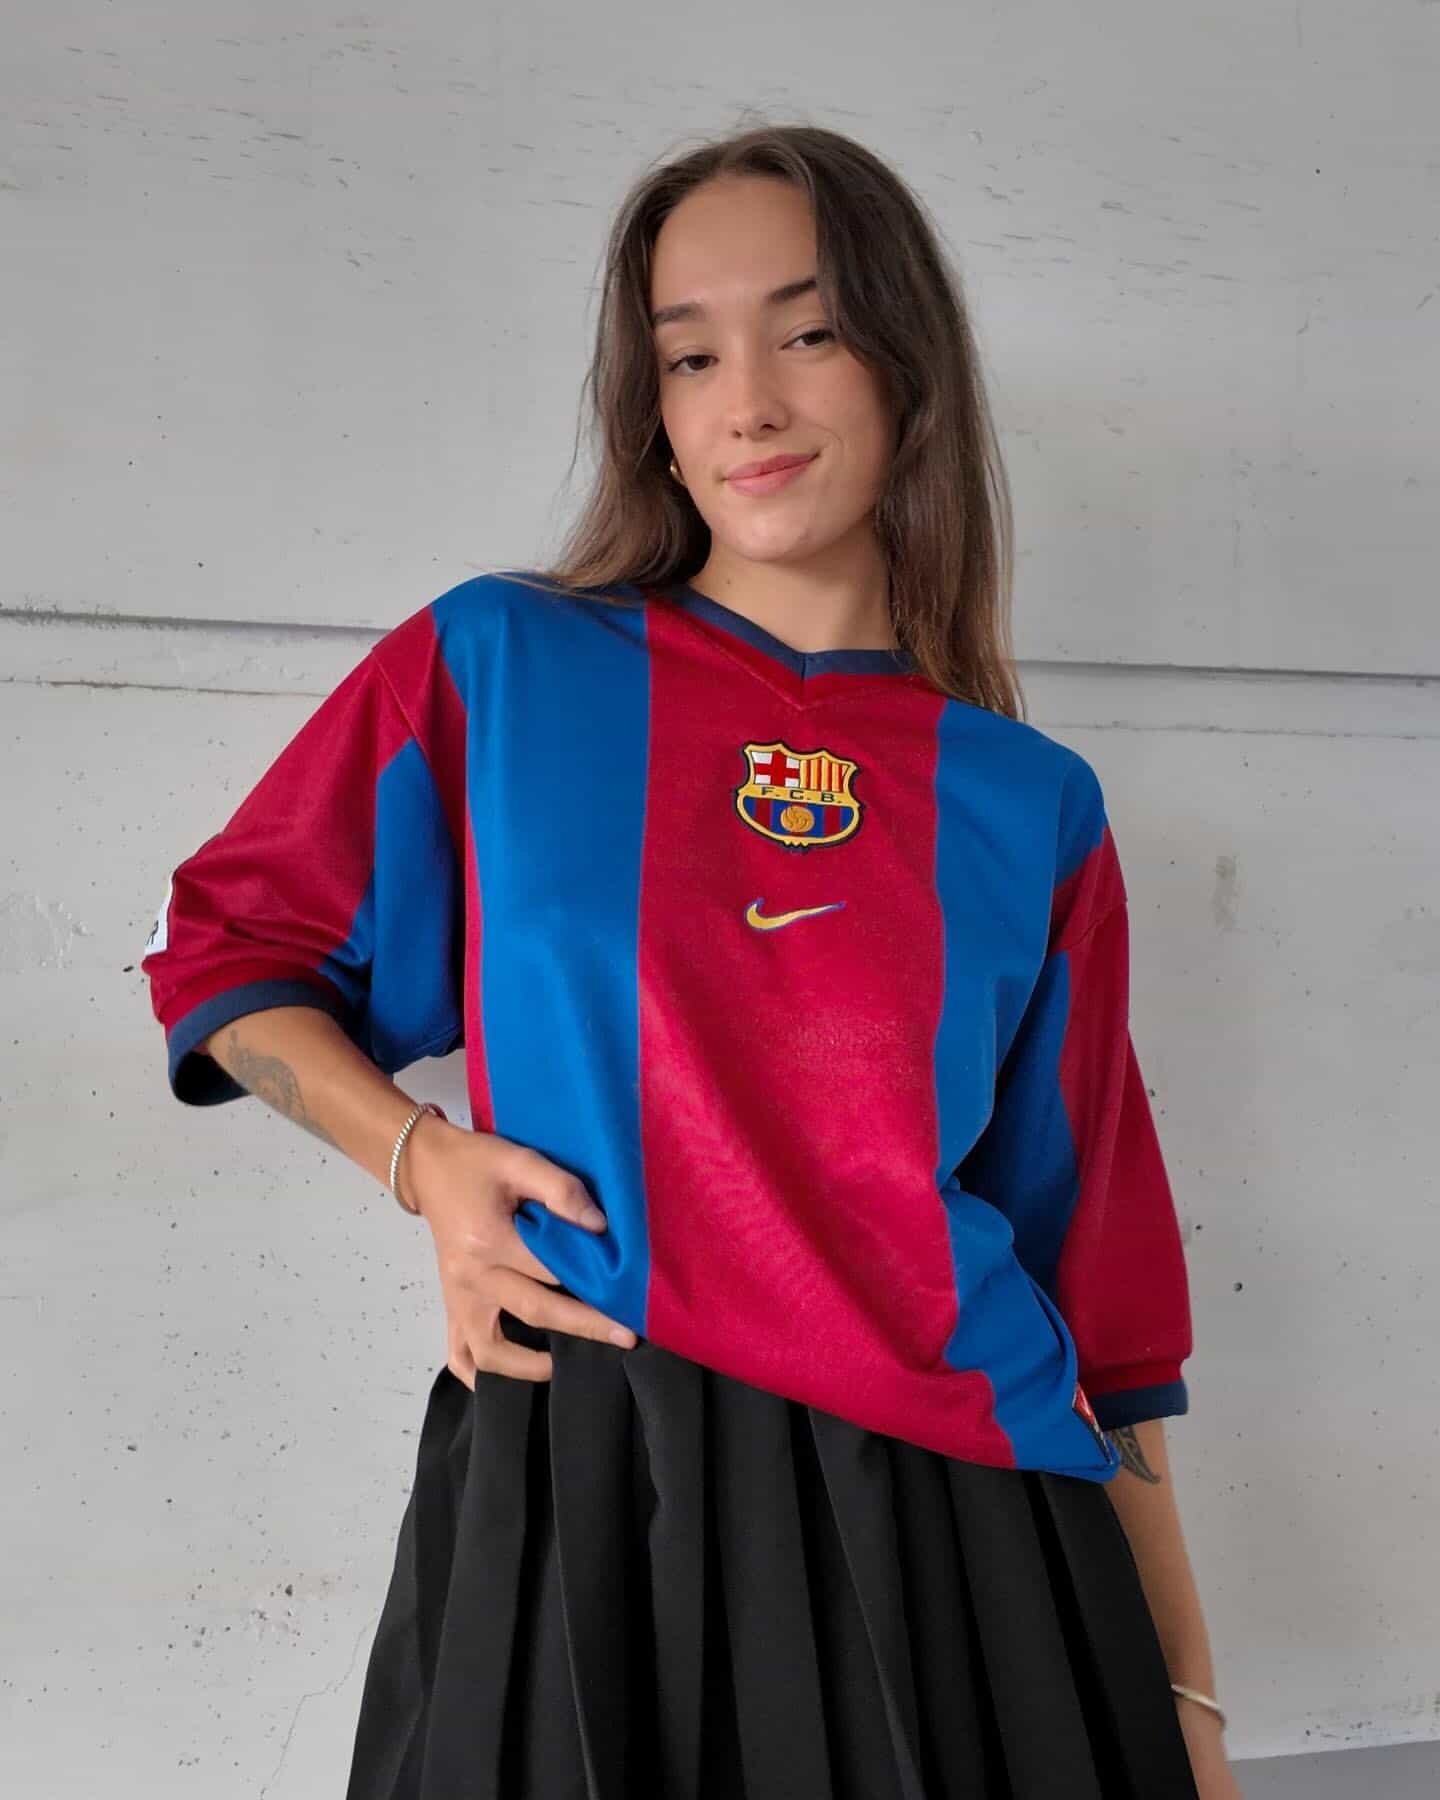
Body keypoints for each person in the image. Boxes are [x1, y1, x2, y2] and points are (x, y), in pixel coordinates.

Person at [141, 123, 1238, 1798]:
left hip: (963, 1532)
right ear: (647, 406)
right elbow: (231, 951)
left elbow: (1103, 1292)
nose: (751, 404)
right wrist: (423, 1161)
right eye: (690, 356)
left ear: (908, 367)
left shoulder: (1030, 803)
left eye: (809, 332)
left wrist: (1189, 1706)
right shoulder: (501, 666)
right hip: (589, 1471)